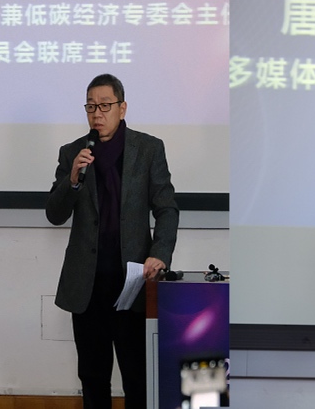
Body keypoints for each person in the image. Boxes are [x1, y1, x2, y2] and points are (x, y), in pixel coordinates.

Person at [46, 73, 179, 409]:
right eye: (91, 107)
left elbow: (167, 209)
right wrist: (72, 180)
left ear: (122, 108)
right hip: (87, 285)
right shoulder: (72, 153)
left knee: (138, 378)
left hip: (132, 283)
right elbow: (55, 214)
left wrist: (160, 254)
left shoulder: (148, 149)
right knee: (92, 377)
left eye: (105, 106)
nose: (97, 114)